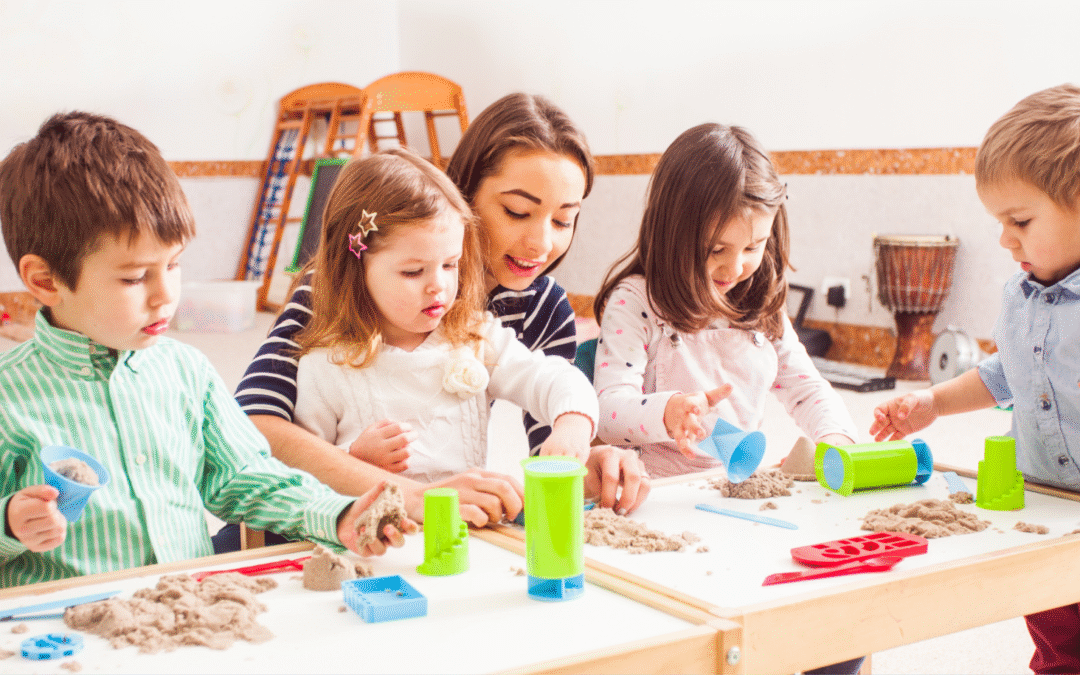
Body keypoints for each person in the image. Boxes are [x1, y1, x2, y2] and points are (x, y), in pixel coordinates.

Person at [0, 112, 416, 586]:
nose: (165, 295)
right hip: (64, 635)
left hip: (186, 610)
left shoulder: (185, 372)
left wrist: (336, 514)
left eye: (174, 265)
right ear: (44, 280)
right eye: (134, 277)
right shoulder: (9, 394)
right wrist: (10, 523)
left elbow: (246, 476)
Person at [235, 93, 649, 527]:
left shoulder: (520, 317)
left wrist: (587, 455)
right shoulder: (335, 293)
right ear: (461, 195)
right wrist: (412, 494)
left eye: (564, 220)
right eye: (517, 211)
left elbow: (552, 438)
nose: (542, 244)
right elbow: (258, 429)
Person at [869, 83, 1080, 675]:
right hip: (1042, 503)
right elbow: (1005, 372)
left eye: (1020, 220)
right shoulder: (1019, 295)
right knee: (1056, 640)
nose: (1005, 239)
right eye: (999, 221)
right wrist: (933, 403)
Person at [290, 147, 600, 494]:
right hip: (374, 543)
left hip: (463, 533)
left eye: (450, 264)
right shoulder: (326, 364)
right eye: (413, 271)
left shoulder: (475, 337)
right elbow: (300, 480)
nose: (438, 285)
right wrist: (355, 457)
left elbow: (551, 378)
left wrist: (572, 419)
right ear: (357, 271)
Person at [592, 122, 859, 480]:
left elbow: (807, 389)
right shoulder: (636, 303)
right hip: (655, 489)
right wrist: (667, 412)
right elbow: (608, 412)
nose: (735, 267)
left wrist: (835, 439)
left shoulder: (760, 306)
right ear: (673, 232)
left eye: (753, 247)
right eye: (717, 249)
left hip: (734, 489)